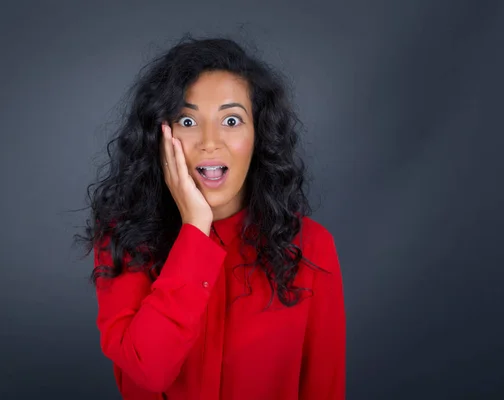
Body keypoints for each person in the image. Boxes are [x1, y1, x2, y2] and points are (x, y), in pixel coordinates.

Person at [78, 36, 346, 399]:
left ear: (259, 134)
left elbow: (323, 388)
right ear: (161, 135)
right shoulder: (123, 239)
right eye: (187, 121)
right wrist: (194, 230)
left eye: (231, 120)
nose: (209, 141)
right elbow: (149, 370)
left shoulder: (311, 247)